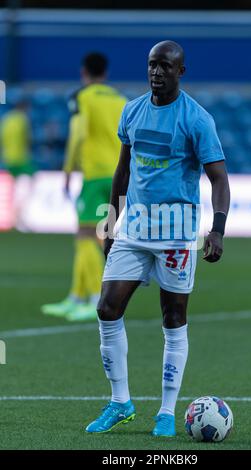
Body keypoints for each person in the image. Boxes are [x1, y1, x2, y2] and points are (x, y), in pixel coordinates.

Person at [85, 41, 230, 437]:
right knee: (107, 308)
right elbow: (122, 170)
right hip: (133, 229)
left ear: (180, 71)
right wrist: (111, 221)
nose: (156, 72)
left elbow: (219, 179)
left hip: (176, 235)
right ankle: (120, 402)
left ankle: (166, 411)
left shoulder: (196, 120)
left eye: (165, 66)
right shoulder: (131, 110)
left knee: (173, 319)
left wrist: (216, 229)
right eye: (152, 65)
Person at [41, 53, 127, 321]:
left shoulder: (82, 96)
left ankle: (94, 298)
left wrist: (68, 170)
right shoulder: (121, 100)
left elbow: (78, 133)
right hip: (119, 176)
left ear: (83, 72)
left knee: (86, 236)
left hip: (94, 176)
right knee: (97, 237)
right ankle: (76, 297)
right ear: (106, 73)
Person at [0, 98, 33, 177]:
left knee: (13, 179)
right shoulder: (22, 119)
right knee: (32, 175)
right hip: (21, 158)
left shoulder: (6, 118)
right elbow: (27, 139)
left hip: (7, 157)